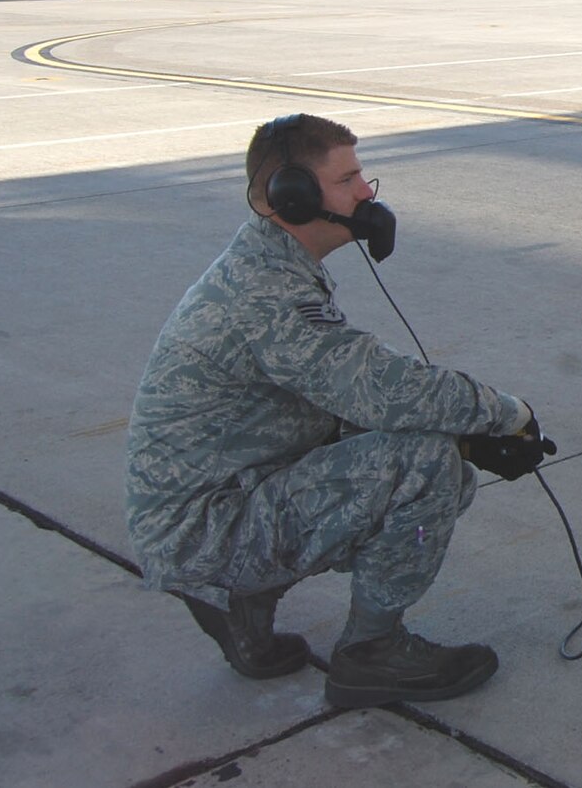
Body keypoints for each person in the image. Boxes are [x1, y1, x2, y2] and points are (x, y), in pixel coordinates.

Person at [125, 114, 555, 708]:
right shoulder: (267, 293)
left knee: (435, 445)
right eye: (349, 178)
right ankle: (370, 654)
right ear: (292, 196)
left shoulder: (270, 264)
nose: (366, 193)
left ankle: (240, 609)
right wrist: (506, 413)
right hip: (206, 528)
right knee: (426, 461)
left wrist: (466, 431)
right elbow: (385, 389)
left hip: (216, 501)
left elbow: (342, 397)